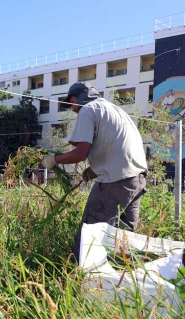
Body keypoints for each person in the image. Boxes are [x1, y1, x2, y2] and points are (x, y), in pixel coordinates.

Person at [41, 82, 148, 261]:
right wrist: (95, 167)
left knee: (90, 235)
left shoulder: (87, 110)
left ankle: (77, 278)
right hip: (137, 179)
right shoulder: (115, 110)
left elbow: (80, 153)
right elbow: (115, 143)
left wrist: (54, 159)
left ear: (77, 99)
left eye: (72, 104)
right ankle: (120, 279)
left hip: (115, 181)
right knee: (124, 239)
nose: (72, 109)